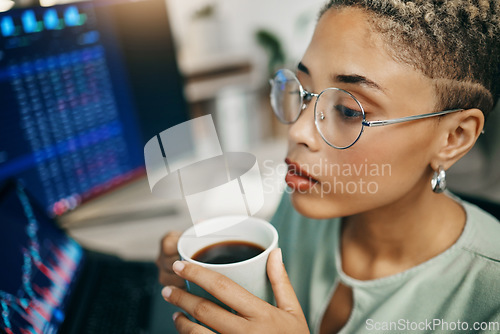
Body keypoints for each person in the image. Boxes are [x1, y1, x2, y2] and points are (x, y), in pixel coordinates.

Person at [156, 1, 500, 333]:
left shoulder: (490, 298)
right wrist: (211, 285)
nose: (298, 131)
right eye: (304, 92)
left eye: (350, 111)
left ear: (453, 138)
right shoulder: (304, 200)